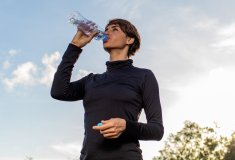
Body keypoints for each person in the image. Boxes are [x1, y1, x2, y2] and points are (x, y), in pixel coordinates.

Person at [51, 18, 164, 160]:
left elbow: (157, 130)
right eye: (106, 29)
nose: (107, 32)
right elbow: (58, 91)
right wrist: (75, 47)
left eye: (114, 29)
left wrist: (126, 126)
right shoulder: (91, 81)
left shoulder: (144, 76)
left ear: (129, 39)